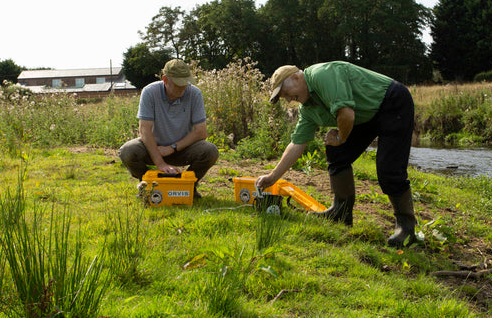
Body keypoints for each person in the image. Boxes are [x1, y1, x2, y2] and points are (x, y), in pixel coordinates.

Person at [255, 61, 416, 247]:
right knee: (337, 152)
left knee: (389, 170)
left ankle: (406, 228)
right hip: (366, 114)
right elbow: (297, 144)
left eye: (285, 93)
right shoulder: (308, 109)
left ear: (295, 77)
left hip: (392, 102)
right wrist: (273, 177)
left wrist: (340, 137)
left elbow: (346, 114)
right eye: (284, 98)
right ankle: (341, 212)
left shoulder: (321, 75)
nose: (288, 100)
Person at [118, 59, 219, 198]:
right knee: (128, 151)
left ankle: (189, 187)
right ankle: (147, 186)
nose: (184, 87)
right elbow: (144, 131)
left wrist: (173, 147)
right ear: (165, 79)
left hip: (183, 148)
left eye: (186, 82)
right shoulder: (149, 92)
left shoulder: (195, 94)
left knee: (210, 151)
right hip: (154, 148)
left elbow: (201, 132)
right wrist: (159, 163)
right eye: (179, 84)